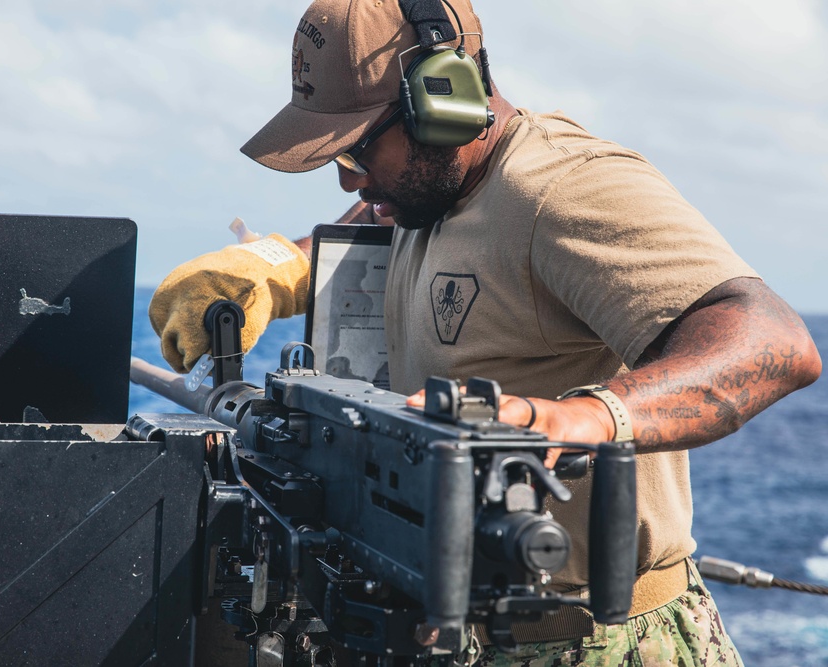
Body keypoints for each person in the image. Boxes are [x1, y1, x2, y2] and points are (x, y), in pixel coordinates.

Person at [149, 0, 822, 664]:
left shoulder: (562, 188)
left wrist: (583, 417)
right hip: (456, 627)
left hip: (594, 639)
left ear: (442, 99)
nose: (349, 176)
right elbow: (390, 210)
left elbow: (771, 341)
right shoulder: (435, 193)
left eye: (356, 147)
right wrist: (282, 264)